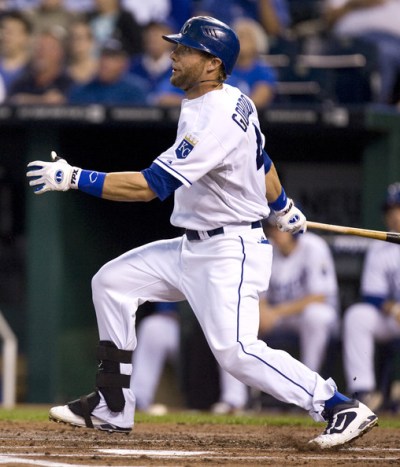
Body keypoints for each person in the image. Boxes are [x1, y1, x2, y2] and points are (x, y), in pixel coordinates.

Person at [26, 16, 377, 449]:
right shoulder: (234, 98)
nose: (173, 55)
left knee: (237, 352)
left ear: (212, 64)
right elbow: (262, 161)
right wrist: (282, 206)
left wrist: (74, 177)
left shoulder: (214, 117)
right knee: (112, 282)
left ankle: (337, 405)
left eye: (185, 50)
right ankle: (113, 404)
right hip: (192, 245)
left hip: (228, 250)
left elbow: (149, 187)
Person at [342, 182, 400, 411]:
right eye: (391, 211)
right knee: (357, 316)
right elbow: (373, 295)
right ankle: (363, 391)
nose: (395, 216)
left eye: (399, 209)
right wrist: (394, 309)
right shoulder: (380, 247)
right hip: (393, 317)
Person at [133, 302, 249, 414]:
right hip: (183, 331)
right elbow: (167, 309)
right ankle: (138, 400)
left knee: (228, 328)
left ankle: (233, 402)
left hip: (216, 329)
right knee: (153, 327)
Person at [259, 222, 339, 373]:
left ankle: (309, 378)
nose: (276, 232)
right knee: (243, 319)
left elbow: (319, 297)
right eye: (272, 228)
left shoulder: (313, 246)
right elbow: (259, 295)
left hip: (306, 316)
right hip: (277, 317)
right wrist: (262, 311)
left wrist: (275, 312)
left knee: (316, 315)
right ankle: (235, 388)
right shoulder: (265, 248)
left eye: (280, 227)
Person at [323, 0, 400, 104]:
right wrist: (359, 3)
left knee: (386, 53)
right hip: (352, 40)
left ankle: (379, 107)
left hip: (392, 40)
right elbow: (331, 16)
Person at [68, 38, 148, 105]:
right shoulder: (82, 90)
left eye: (112, 58)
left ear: (124, 63)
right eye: (103, 56)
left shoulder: (136, 90)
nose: (105, 63)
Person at [8, 25, 73, 104]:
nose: (41, 53)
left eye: (48, 48)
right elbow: (12, 101)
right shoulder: (22, 83)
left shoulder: (68, 84)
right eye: (39, 47)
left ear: (60, 53)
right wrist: (42, 100)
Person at [227, 18, 277, 109]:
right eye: (238, 36)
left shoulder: (264, 71)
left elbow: (259, 101)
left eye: (245, 36)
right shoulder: (223, 68)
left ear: (257, 43)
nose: (240, 40)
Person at [129, 21, 174, 104]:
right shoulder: (133, 65)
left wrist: (179, 100)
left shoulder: (181, 66)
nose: (153, 38)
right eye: (150, 34)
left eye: (158, 34)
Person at [0, 10, 32, 95]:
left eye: (11, 32)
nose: (6, 36)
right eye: (3, 30)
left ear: (26, 37)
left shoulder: (33, 71)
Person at [66, 19, 99, 85]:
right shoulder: (62, 73)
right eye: (72, 38)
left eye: (80, 38)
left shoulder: (101, 70)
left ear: (91, 41)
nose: (76, 43)